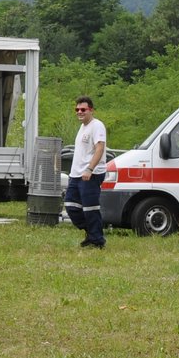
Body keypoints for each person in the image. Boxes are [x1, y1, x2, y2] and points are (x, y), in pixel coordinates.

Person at [65, 95, 108, 249]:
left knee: (90, 208)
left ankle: (98, 240)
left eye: (83, 109)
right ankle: (92, 233)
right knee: (71, 206)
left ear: (91, 110)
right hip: (76, 175)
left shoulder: (97, 126)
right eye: (77, 109)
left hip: (91, 174)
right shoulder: (83, 127)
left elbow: (100, 148)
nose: (79, 112)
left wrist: (90, 169)